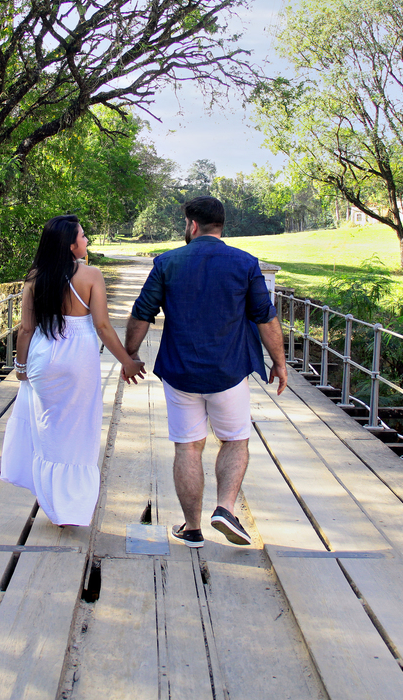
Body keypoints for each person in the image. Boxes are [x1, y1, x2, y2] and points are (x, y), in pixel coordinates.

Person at [122, 196, 287, 548]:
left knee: (188, 447)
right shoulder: (244, 263)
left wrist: (130, 354)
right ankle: (225, 508)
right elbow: (265, 316)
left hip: (180, 372)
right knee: (235, 440)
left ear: (192, 225)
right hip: (228, 372)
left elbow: (142, 313)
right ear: (221, 225)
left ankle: (192, 528)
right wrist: (280, 362)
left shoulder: (167, 262)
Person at [0, 215, 146, 526]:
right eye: (83, 236)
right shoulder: (91, 275)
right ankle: (73, 507)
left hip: (43, 355)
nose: (87, 241)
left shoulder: (35, 277)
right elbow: (103, 326)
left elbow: (26, 329)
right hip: (79, 356)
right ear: (70, 244)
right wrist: (127, 361)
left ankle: (51, 502)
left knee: (48, 428)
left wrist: (20, 366)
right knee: (79, 429)